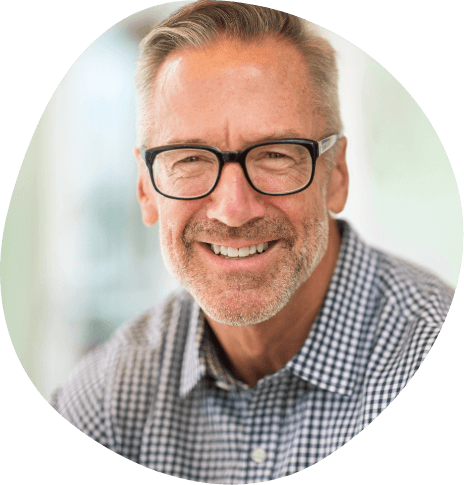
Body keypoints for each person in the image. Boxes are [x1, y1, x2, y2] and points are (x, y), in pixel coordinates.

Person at [51, 1, 454, 482]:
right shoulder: (108, 397)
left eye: (276, 155)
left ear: (337, 174)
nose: (233, 209)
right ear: (145, 188)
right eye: (190, 159)